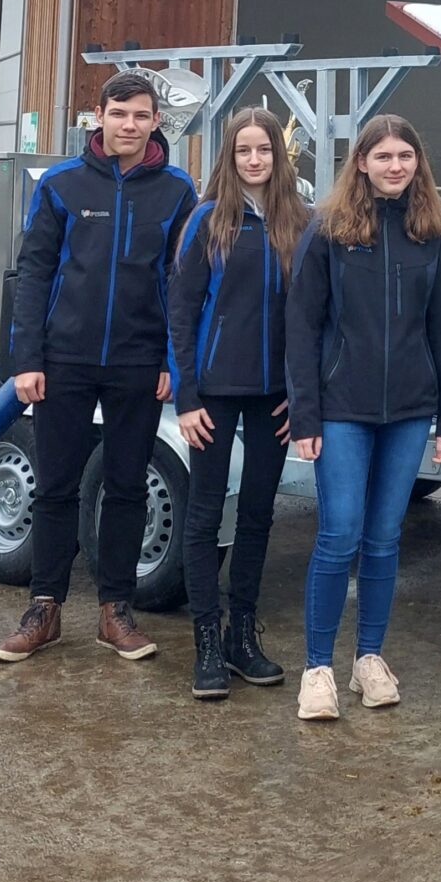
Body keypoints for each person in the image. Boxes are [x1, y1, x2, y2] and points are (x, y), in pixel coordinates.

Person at [0, 71, 199, 665]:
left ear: (155, 121)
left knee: (128, 485)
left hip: (138, 359)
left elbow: (181, 284)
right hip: (65, 360)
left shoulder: (178, 190)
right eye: (118, 113)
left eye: (140, 115)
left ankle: (115, 611)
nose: (128, 125)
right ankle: (45, 608)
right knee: (55, 486)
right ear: (98, 117)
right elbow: (33, 274)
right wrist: (27, 358)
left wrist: (170, 363)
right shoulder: (61, 183)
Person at [284, 113, 441, 721]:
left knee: (385, 539)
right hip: (341, 410)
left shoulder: (433, 235)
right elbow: (302, 328)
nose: (395, 166)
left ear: (418, 165)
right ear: (361, 162)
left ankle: (369, 661)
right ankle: (316, 670)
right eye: (383, 156)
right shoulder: (328, 231)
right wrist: (305, 416)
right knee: (339, 533)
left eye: (405, 157)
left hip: (410, 411)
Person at [166, 107, 309, 699]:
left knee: (256, 515)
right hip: (214, 397)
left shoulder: (297, 222)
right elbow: (180, 312)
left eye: (265, 150)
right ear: (229, 155)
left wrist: (299, 395)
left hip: (274, 397)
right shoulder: (208, 221)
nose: (255, 159)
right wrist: (187, 397)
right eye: (244, 150)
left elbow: (313, 318)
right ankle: (206, 640)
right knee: (204, 517)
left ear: (279, 156)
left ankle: (242, 637)